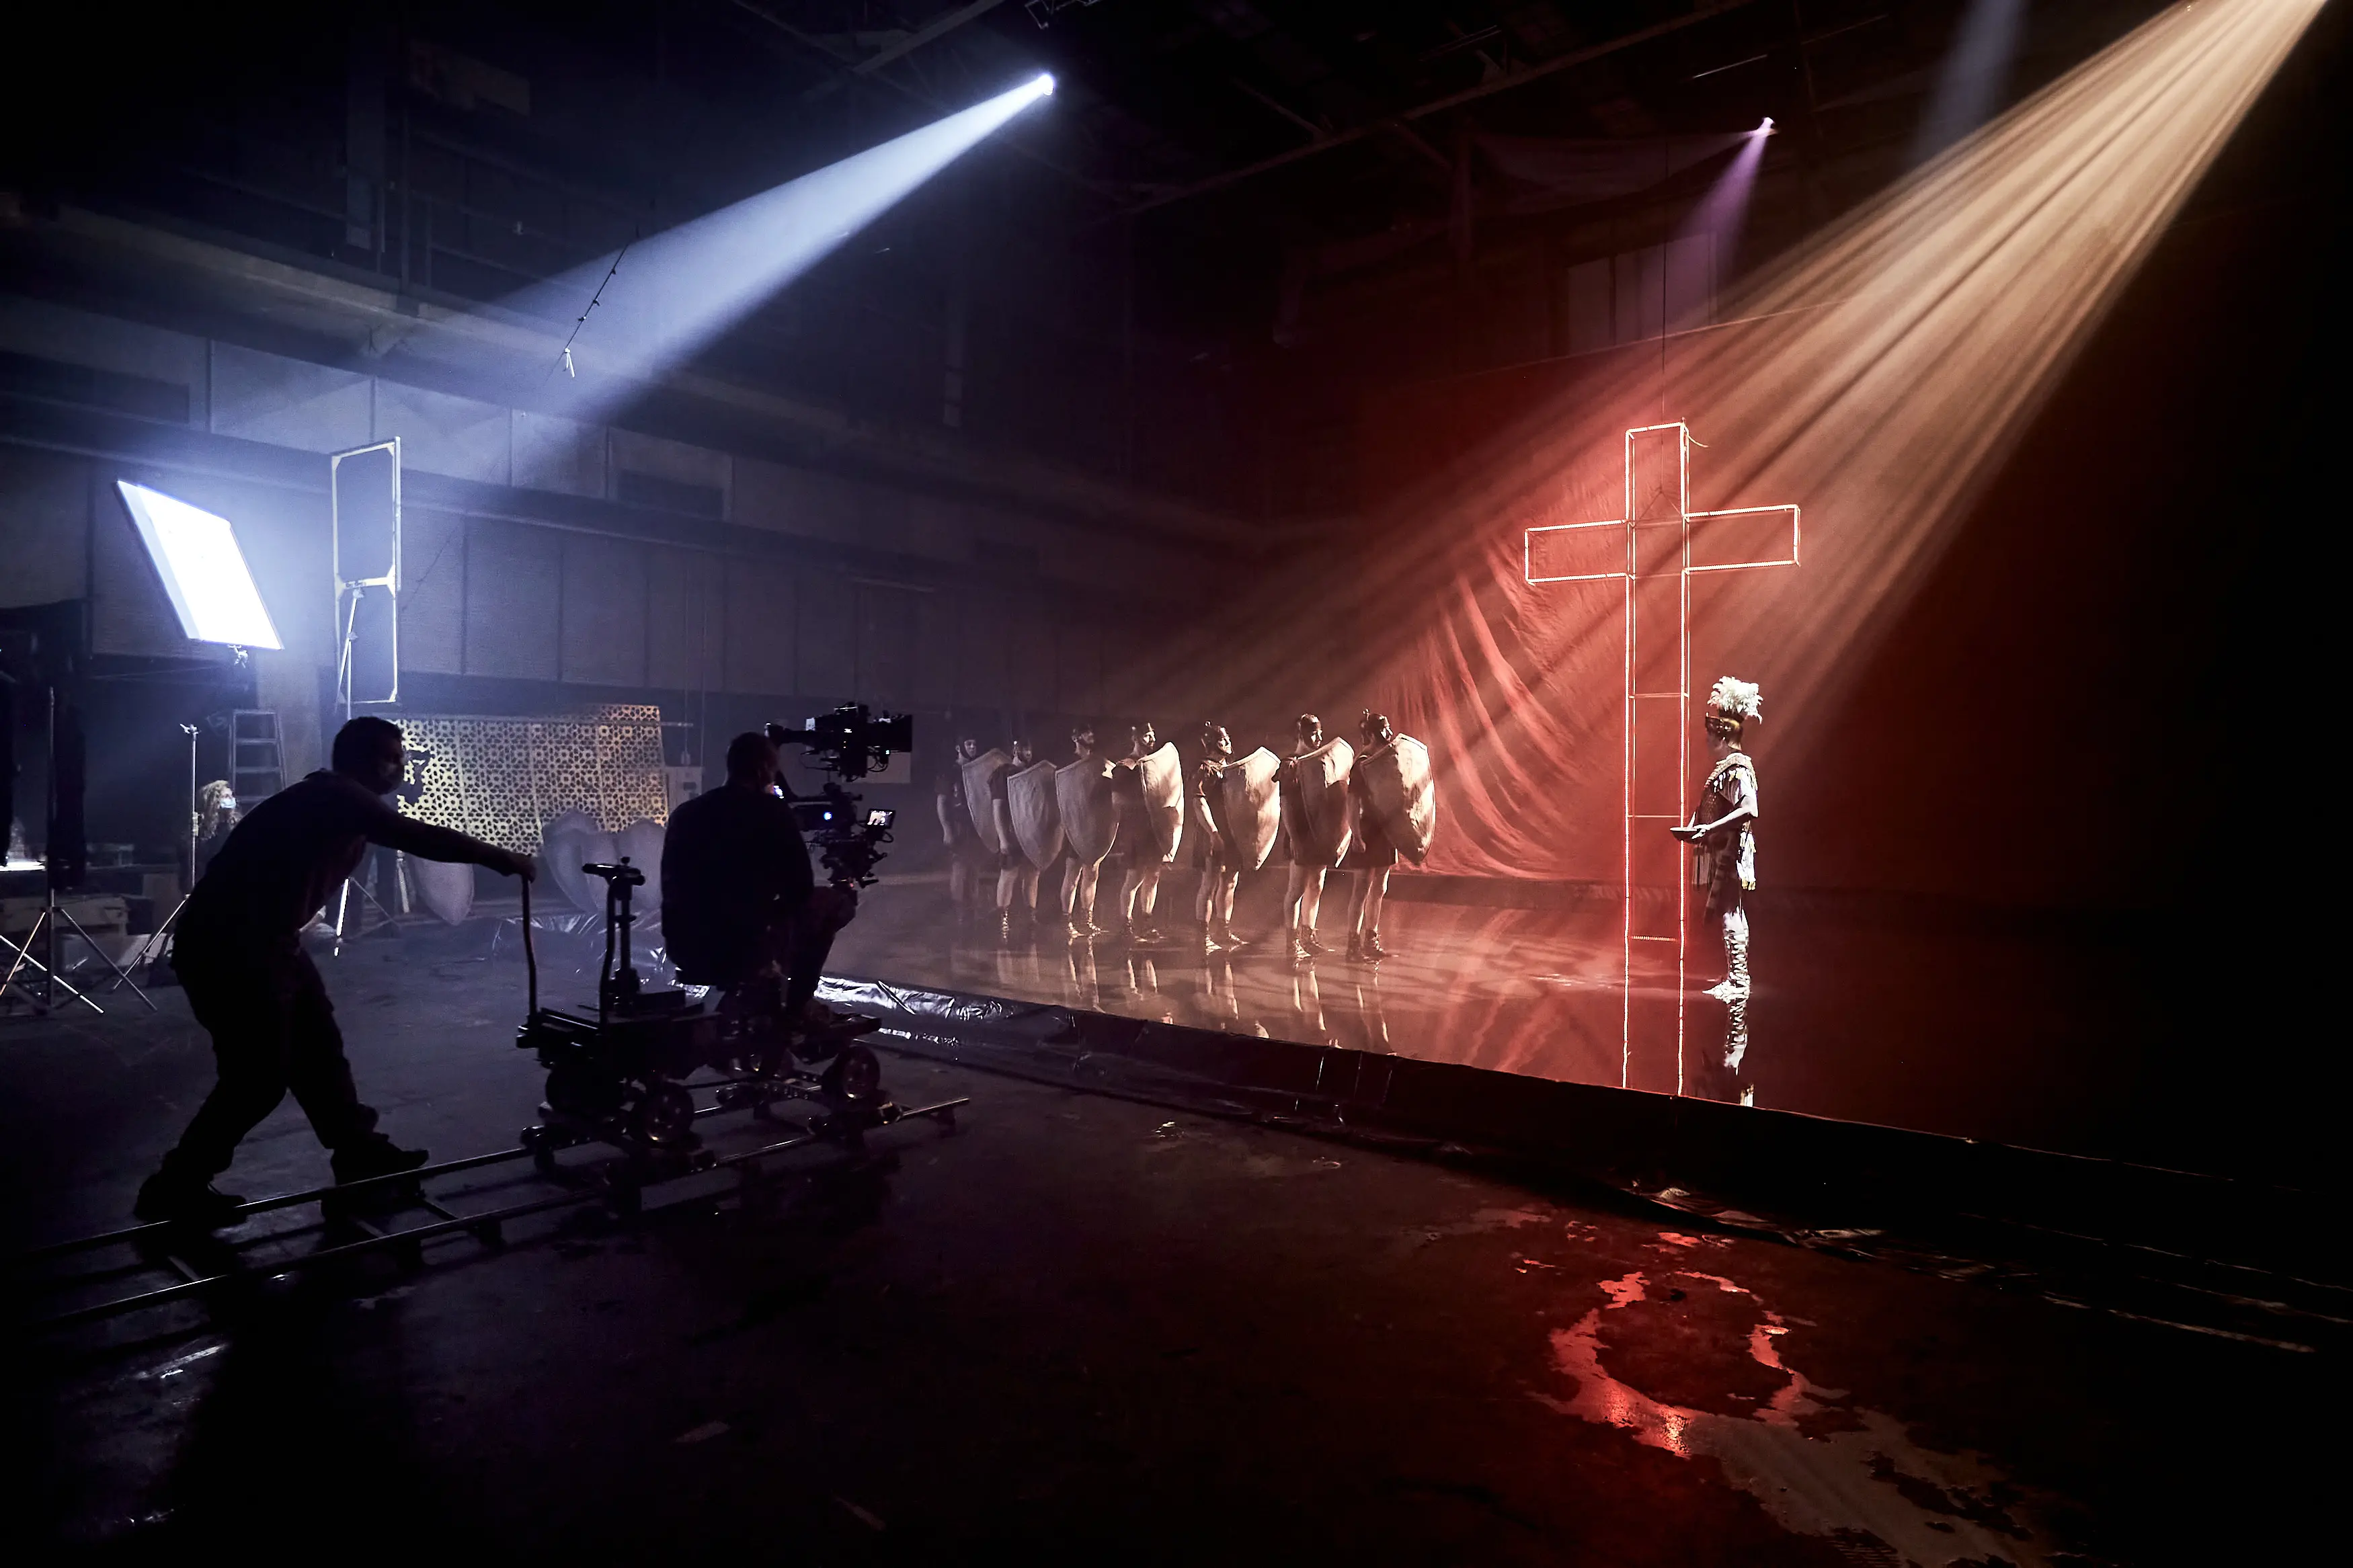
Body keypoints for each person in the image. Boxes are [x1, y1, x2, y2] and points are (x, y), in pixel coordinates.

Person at [133, 716, 535, 1225]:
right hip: (230, 947)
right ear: (363, 760)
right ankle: (176, 1186)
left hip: (265, 942)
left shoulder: (338, 798)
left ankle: (360, 1154)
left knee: (319, 1049)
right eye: (392, 758)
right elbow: (415, 836)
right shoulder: (339, 796)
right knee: (258, 1078)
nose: (401, 767)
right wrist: (502, 858)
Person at [663, 730, 858, 1027]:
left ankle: (764, 986)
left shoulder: (685, 813)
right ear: (764, 770)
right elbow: (800, 889)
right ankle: (797, 1003)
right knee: (835, 903)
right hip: (739, 946)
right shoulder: (771, 811)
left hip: (684, 946)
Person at [1671, 676, 1763, 1105]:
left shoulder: (1739, 768)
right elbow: (1714, 808)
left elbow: (1749, 808)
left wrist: (1708, 830)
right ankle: (1734, 977)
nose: (1707, 740)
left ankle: (1739, 981)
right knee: (1730, 911)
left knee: (1731, 912)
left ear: (1723, 735)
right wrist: (1696, 829)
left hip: (1731, 852)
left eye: (1711, 733)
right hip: (1720, 847)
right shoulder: (1725, 770)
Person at [1343, 710, 1401, 961]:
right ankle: (1353, 946)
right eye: (1383, 730)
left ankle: (1371, 940)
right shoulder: (1363, 763)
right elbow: (1352, 802)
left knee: (1380, 887)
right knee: (1362, 888)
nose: (1388, 734)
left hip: (1385, 830)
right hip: (1366, 829)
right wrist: (1356, 835)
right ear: (1372, 734)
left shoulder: (1386, 760)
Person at [1279, 713, 1335, 963]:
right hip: (1300, 834)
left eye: (1320, 733)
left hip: (1319, 833)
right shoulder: (1290, 765)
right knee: (1296, 890)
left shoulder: (1319, 761)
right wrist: (1293, 837)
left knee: (1317, 885)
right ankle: (1291, 943)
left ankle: (1308, 937)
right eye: (1314, 733)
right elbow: (1285, 804)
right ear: (1301, 735)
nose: (1319, 738)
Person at [1189, 722, 1246, 954]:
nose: (1228, 742)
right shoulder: (1206, 769)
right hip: (1213, 835)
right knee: (1209, 884)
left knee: (1230, 882)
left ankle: (1223, 930)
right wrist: (1213, 833)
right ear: (1213, 743)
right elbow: (1199, 802)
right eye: (1223, 739)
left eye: (1228, 738)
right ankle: (1202, 937)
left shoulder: (1230, 769)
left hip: (1232, 835)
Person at [934, 731, 990, 926]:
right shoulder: (950, 772)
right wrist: (947, 830)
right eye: (968, 744)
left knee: (974, 868)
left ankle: (972, 910)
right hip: (958, 826)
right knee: (960, 867)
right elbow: (942, 802)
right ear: (959, 748)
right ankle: (960, 912)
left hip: (975, 826)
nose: (973, 747)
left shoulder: (977, 771)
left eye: (974, 744)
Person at [990, 737, 1042, 942]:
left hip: (1030, 833)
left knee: (1032, 874)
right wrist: (1003, 838)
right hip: (1012, 832)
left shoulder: (1032, 774)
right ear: (1015, 751)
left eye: (1030, 749)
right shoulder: (1002, 774)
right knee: (1009, 874)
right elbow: (998, 808)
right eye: (1024, 749)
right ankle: (1002, 919)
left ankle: (1031, 917)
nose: (1028, 753)